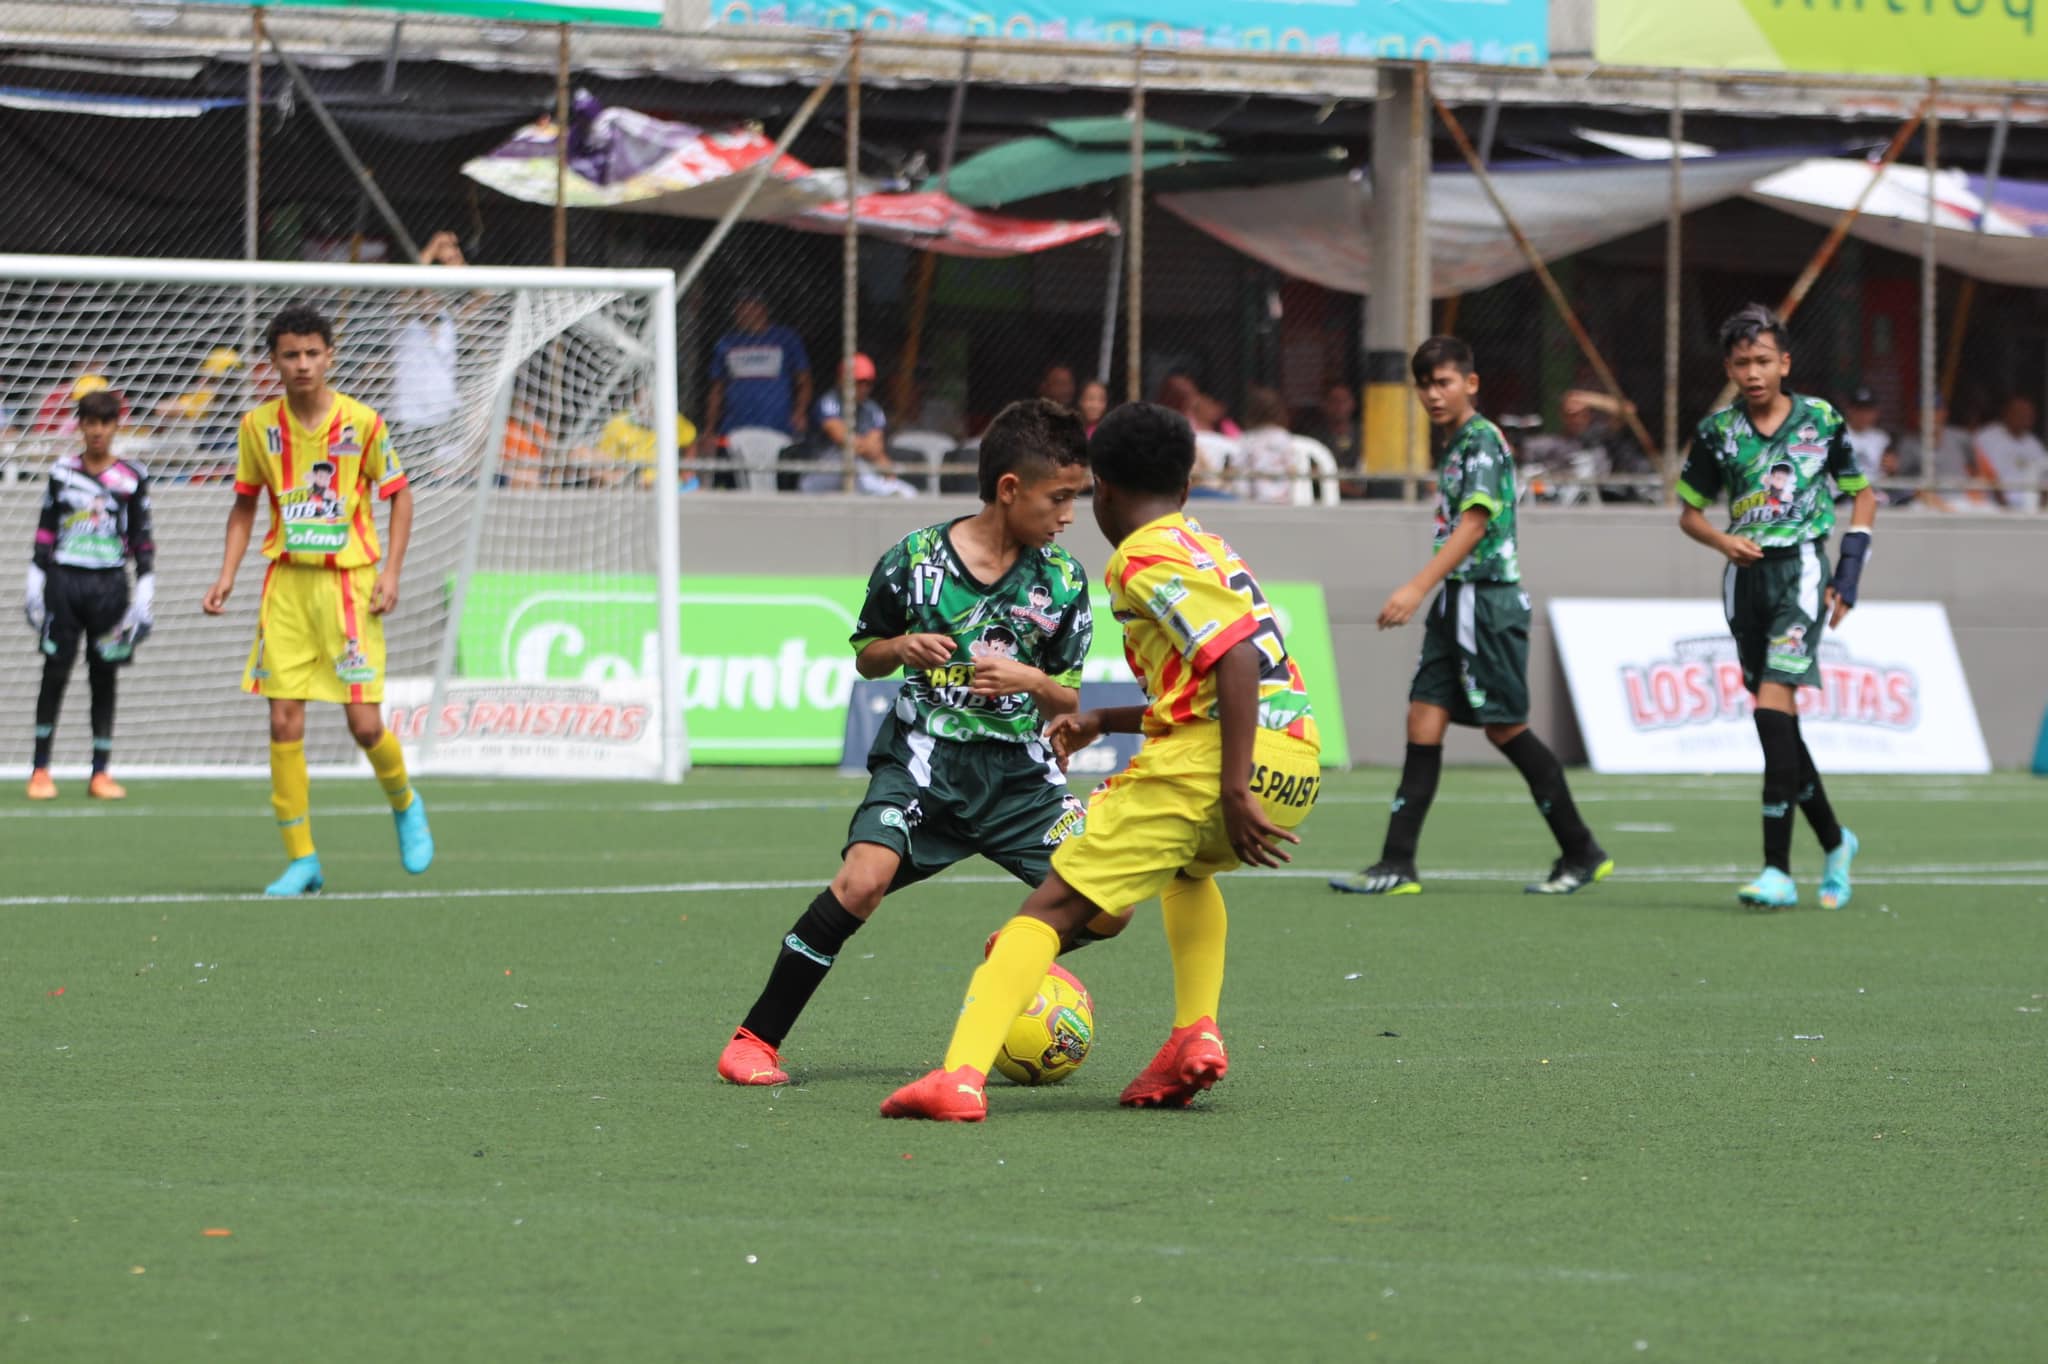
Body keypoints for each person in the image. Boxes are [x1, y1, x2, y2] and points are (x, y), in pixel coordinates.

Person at [880, 401, 1322, 1122]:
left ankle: (957, 1078)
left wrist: (1233, 787)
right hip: (1293, 756)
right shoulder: (1208, 545)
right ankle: (1194, 1033)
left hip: (1219, 765)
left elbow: (1235, 657)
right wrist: (1102, 719)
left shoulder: (1141, 557)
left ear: (1104, 492)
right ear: (1184, 488)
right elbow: (1220, 679)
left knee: (1047, 908)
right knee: (1188, 872)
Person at [717, 399, 1098, 1086]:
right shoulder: (915, 560)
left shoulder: (1064, 581)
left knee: (1112, 909)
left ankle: (1016, 945)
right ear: (1010, 489)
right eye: (1060, 498)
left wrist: (1028, 677)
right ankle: (754, 1040)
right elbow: (867, 655)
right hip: (925, 762)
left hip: (1021, 780)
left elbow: (1069, 694)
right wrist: (900, 646)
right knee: (862, 882)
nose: (1069, 515)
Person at [1331, 337, 1611, 899]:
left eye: (1445, 382)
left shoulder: (1481, 442)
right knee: (1423, 720)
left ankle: (1581, 850)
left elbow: (1475, 524)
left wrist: (1416, 586)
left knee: (1506, 727)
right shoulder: (1460, 442)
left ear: (1471, 383)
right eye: (1426, 385)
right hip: (1457, 603)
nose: (1434, 394)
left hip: (1484, 602)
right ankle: (1397, 863)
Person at [200, 304, 434, 896]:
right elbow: (246, 504)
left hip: (349, 590)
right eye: (290, 355)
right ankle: (302, 858)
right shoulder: (258, 428)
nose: (302, 364)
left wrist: (392, 573)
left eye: (312, 353)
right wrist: (226, 573)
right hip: (286, 588)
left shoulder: (364, 423)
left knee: (362, 724)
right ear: (273, 362)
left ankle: (404, 801)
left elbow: (400, 497)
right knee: (282, 720)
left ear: (330, 355)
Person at [1676, 304, 1874, 910]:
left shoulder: (1821, 420)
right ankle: (1836, 842)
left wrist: (1848, 571)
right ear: (1730, 369)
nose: (1754, 372)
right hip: (1745, 583)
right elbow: (1688, 513)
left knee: (1770, 713)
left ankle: (1776, 871)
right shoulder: (1718, 433)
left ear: (1784, 362)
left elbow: (1861, 496)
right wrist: (1721, 538)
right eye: (1742, 363)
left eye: (1764, 360)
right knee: (1777, 720)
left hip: (1801, 576)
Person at [24, 388, 154, 800]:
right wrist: (34, 580)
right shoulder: (62, 471)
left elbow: (140, 537)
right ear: (79, 426)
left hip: (109, 585)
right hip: (64, 581)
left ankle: (100, 771)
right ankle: (40, 769)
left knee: (104, 674)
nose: (97, 431)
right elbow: (46, 528)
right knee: (55, 671)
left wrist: (145, 589)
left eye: (105, 422)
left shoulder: (132, 477)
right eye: (90, 422)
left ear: (117, 426)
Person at [698, 291, 811, 481]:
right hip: (735, 425)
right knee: (736, 479)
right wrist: (710, 427)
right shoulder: (726, 343)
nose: (741, 313)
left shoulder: (785, 339)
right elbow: (717, 389)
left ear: (761, 309)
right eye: (738, 309)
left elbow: (804, 381)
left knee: (777, 479)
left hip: (777, 424)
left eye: (747, 307)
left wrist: (800, 412)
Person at [797, 354, 917, 497]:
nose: (863, 388)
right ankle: (879, 490)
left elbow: (876, 449)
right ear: (842, 380)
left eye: (868, 383)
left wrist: (886, 469)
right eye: (858, 382)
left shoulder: (872, 409)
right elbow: (843, 439)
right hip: (819, 475)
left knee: (909, 493)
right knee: (848, 456)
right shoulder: (829, 401)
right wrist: (865, 448)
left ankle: (883, 491)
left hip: (858, 472)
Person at [1971, 395, 2048, 511]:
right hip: (1994, 506)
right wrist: (2006, 509)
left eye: (2029, 414)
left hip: (2032, 508)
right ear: (2006, 413)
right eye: (2020, 412)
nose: (2025, 417)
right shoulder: (1986, 437)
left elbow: (2044, 481)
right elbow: (1986, 476)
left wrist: (2041, 508)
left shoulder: (2034, 444)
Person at [1237, 385, 1297, 505]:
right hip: (1280, 498)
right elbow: (1292, 468)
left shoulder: (1246, 439)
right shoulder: (1283, 436)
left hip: (1254, 499)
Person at [1842, 386, 1891, 485]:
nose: (1863, 415)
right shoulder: (1836, 435)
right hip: (1843, 491)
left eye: (1868, 410)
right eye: (1859, 409)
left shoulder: (1882, 438)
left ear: (1876, 412)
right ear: (1849, 410)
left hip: (1876, 489)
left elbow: (1887, 470)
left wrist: (1892, 468)